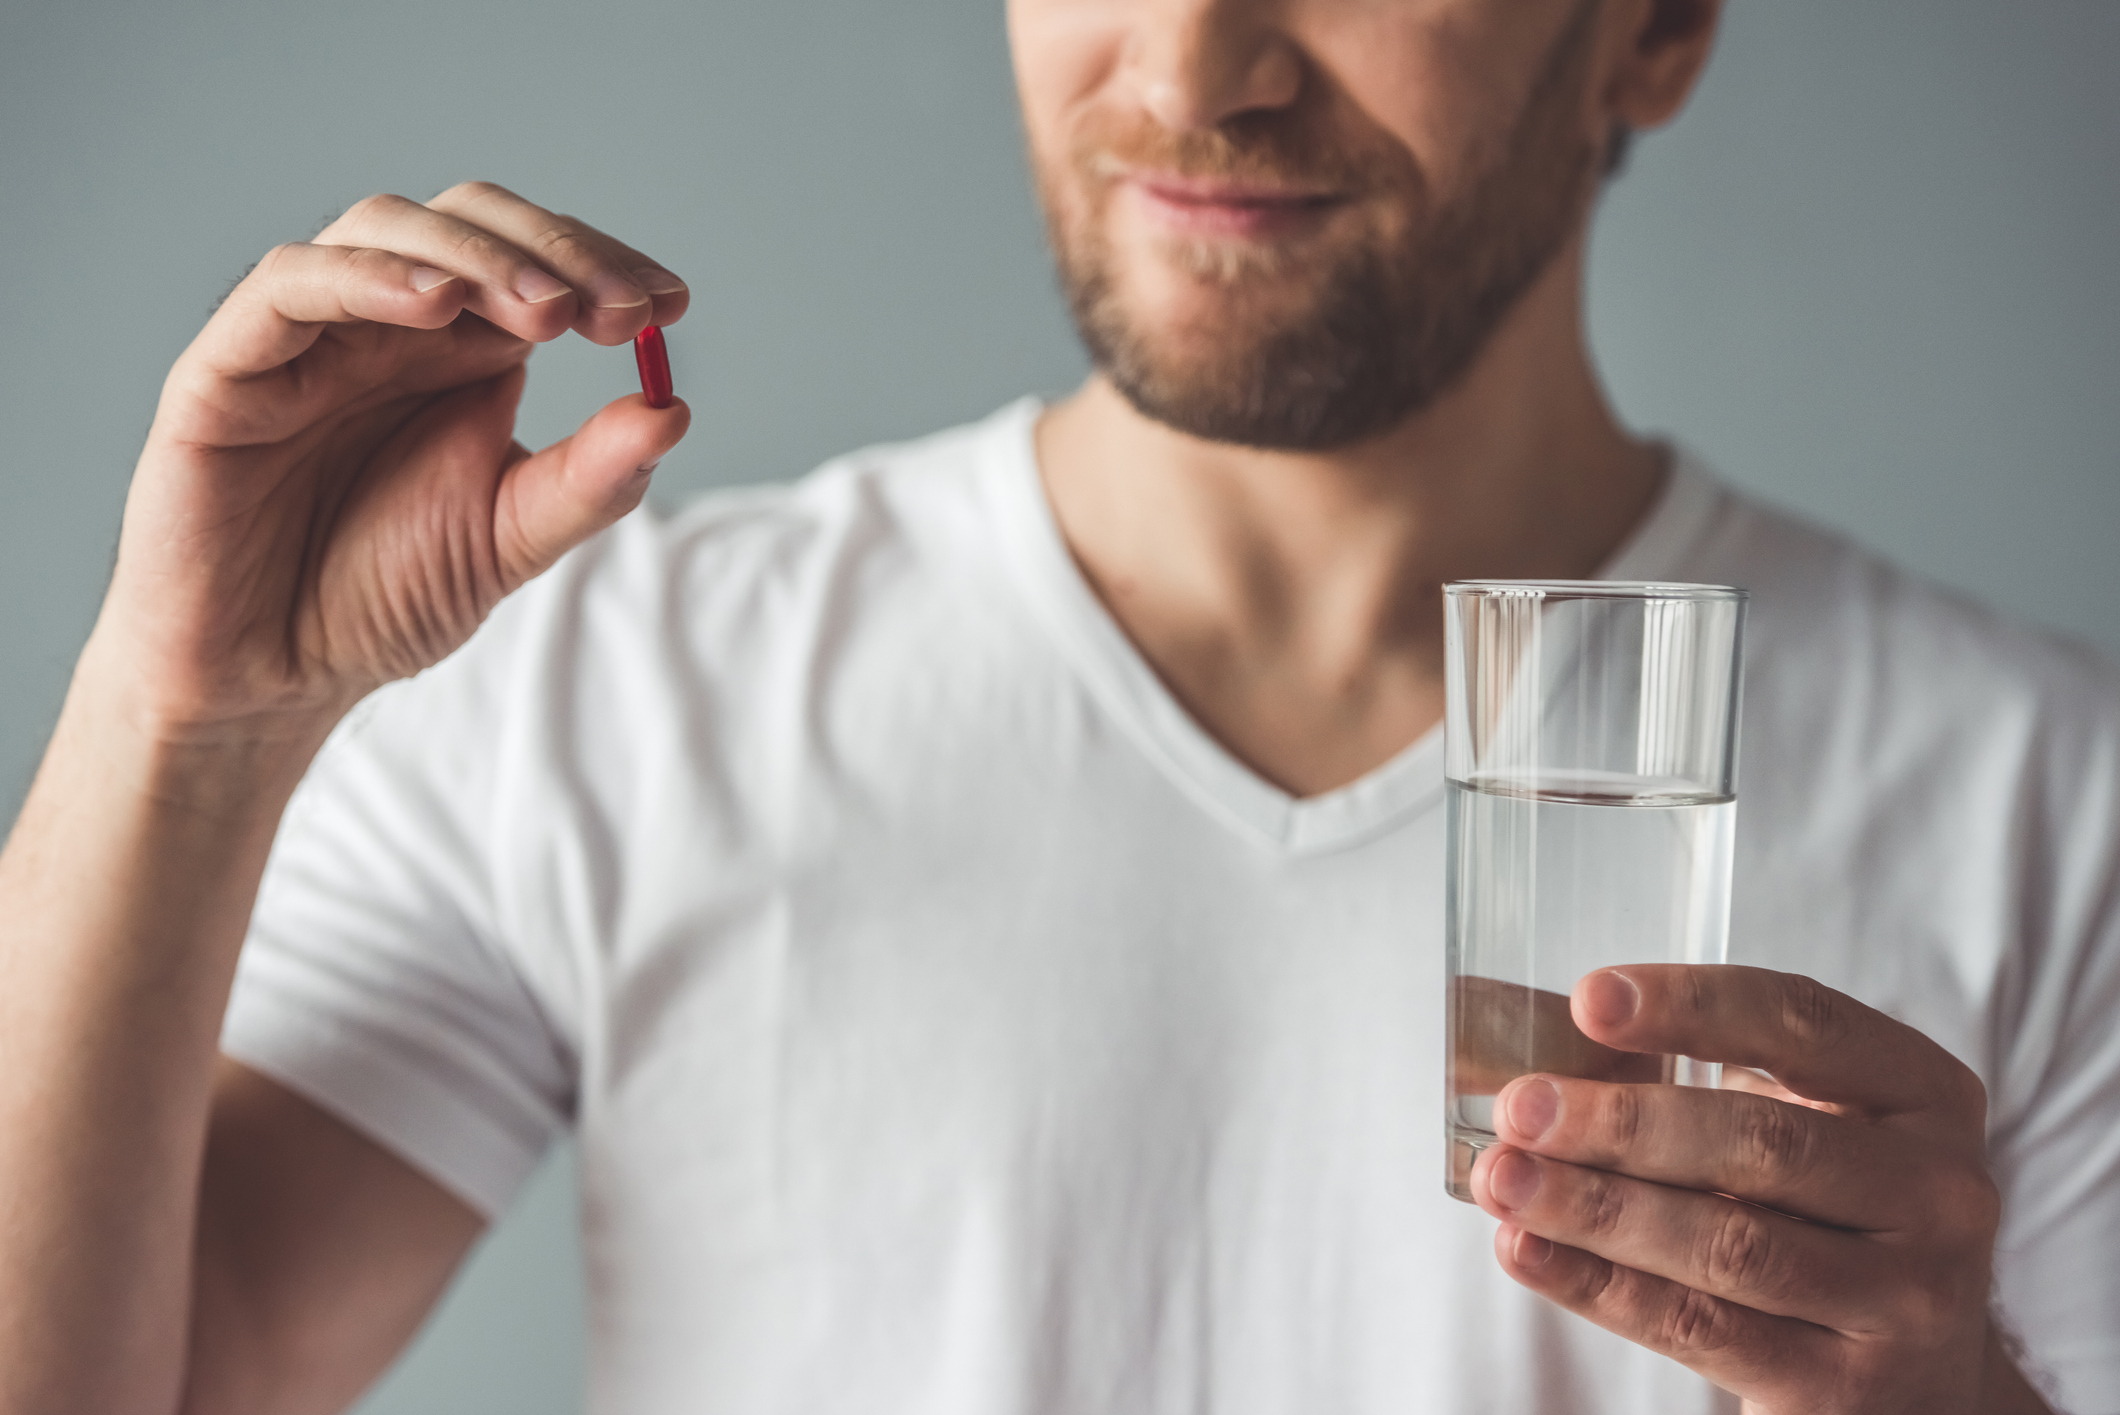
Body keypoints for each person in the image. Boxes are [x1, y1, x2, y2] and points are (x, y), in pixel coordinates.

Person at [0, 0, 2114, 1410]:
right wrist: (185, 716)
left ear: (1647, 31)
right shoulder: (603, 690)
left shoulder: (2053, 812)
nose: (1196, 72)